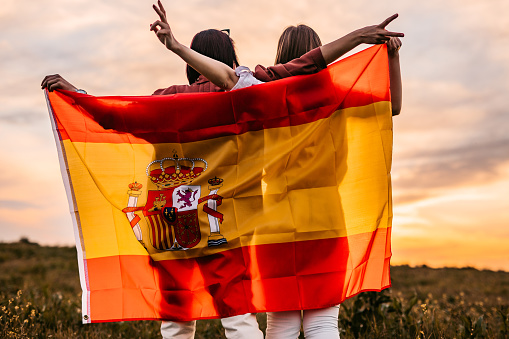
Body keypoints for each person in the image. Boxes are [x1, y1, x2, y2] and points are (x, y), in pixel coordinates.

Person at [150, 3, 403, 338]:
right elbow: (393, 106)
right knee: (323, 322)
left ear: (283, 57)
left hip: (274, 221)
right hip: (327, 218)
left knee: (279, 323)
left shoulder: (264, 93)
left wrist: (78, 96)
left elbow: (124, 114)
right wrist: (389, 55)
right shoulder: (338, 96)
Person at [41, 27, 264, 339]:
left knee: (176, 322)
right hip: (225, 222)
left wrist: (76, 94)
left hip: (170, 225)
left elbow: (115, 118)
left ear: (191, 60)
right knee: (239, 316)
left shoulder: (167, 100)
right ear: (229, 58)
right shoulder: (240, 98)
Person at [150, 2, 403, 116]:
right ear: (231, 59)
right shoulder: (334, 96)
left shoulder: (168, 97)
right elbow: (392, 108)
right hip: (327, 210)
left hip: (188, 212)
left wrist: (175, 46)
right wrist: (384, 51)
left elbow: (129, 116)